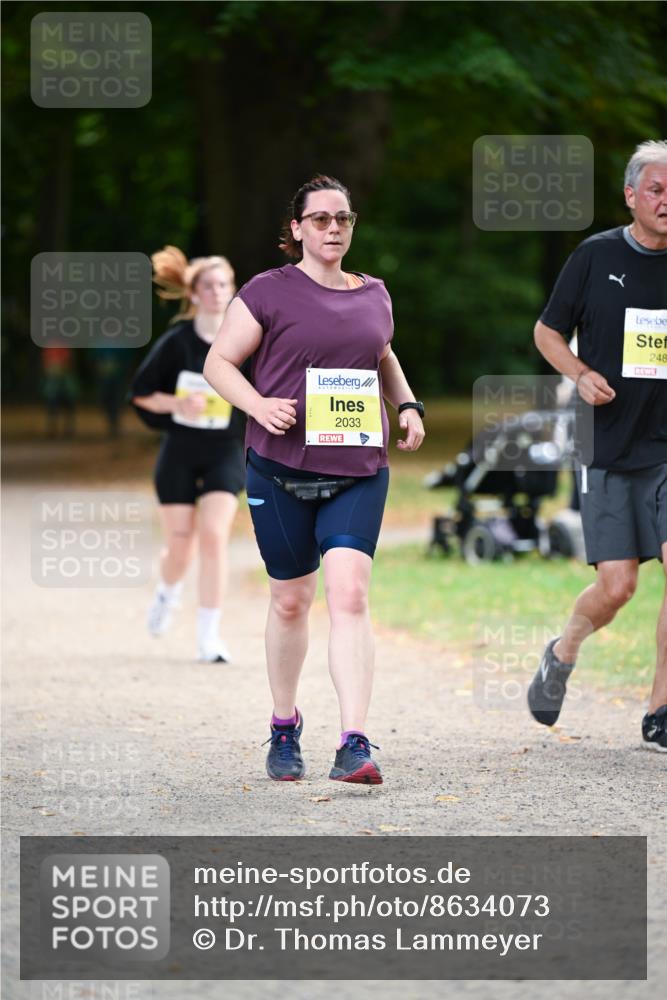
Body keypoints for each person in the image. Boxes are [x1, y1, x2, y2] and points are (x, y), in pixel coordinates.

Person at [203, 175, 425, 783]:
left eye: (343, 220)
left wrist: (407, 406)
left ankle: (355, 741)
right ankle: (283, 726)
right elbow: (217, 361)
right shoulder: (267, 292)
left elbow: (381, 354)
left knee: (349, 594)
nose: (333, 229)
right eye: (321, 219)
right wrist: (256, 405)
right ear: (296, 228)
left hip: (357, 468)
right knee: (293, 599)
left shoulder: (374, 293)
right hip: (279, 468)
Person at [527, 140, 667, 751]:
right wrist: (580, 373)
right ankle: (564, 650)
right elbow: (547, 331)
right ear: (632, 195)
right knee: (618, 587)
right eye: (657, 189)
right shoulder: (596, 255)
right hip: (608, 446)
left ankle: (661, 709)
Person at [131, 247, 246, 663]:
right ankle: (167, 593)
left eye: (223, 285)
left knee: (214, 537)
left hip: (225, 451)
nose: (217, 292)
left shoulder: (244, 341)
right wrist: (177, 404)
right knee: (181, 544)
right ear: (194, 294)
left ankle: (209, 636)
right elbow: (141, 395)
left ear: (232, 291)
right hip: (179, 451)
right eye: (209, 286)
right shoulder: (175, 342)